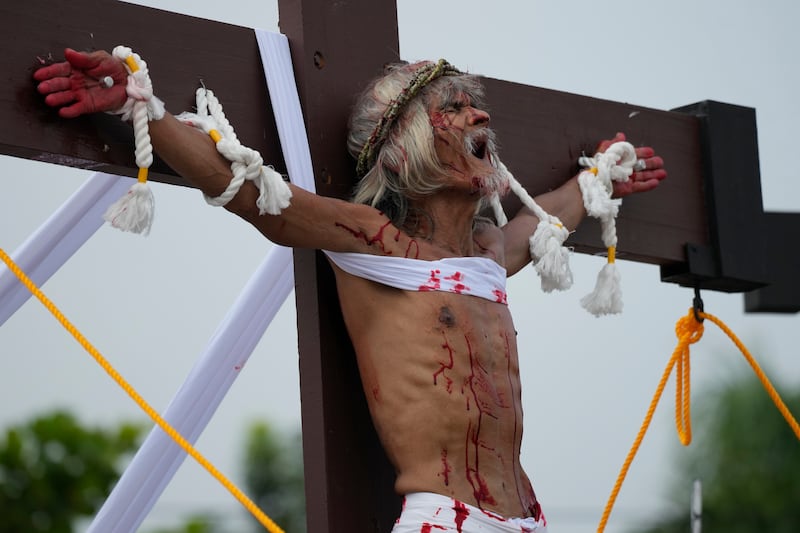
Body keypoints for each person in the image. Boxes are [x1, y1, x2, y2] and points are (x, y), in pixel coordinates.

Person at [34, 49, 666, 532]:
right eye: (452, 106)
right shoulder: (371, 238)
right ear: (401, 147)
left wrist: (601, 175)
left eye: (473, 102)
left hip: (532, 517)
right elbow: (258, 196)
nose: (480, 114)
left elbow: (553, 215)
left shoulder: (489, 251)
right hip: (443, 520)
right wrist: (139, 104)